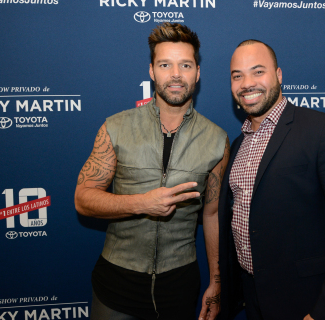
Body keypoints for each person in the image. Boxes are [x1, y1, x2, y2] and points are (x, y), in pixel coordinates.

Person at [75, 23, 229, 320]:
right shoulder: (115, 127)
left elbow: (210, 215)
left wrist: (216, 280)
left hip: (179, 286)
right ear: (151, 71)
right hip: (116, 284)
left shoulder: (216, 140)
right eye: (165, 64)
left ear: (197, 73)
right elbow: (83, 199)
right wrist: (143, 203)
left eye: (185, 65)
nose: (175, 74)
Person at [218, 40, 325, 320]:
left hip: (308, 302)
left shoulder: (324, 130)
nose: (246, 83)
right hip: (253, 298)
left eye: (257, 71)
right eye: (237, 75)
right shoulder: (238, 144)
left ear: (278, 76)